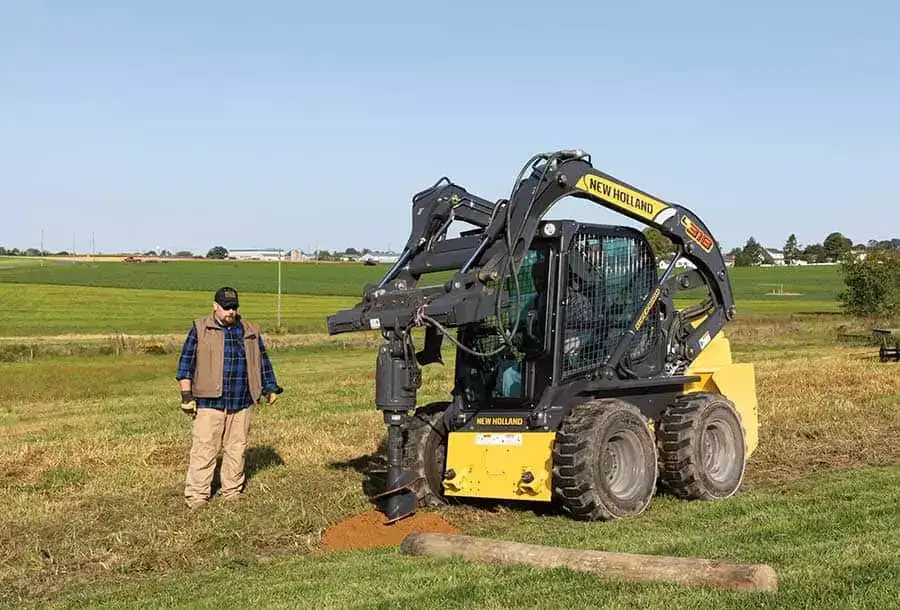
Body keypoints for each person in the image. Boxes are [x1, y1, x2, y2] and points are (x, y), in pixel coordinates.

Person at [175, 286, 283, 509]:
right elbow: (186, 363)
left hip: (241, 400)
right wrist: (186, 395)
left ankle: (231, 491)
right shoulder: (200, 328)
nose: (230, 312)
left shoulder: (249, 330)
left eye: (234, 307)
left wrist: (269, 387)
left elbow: (262, 362)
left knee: (237, 448)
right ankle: (197, 497)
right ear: (215, 306)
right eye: (226, 307)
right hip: (209, 401)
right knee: (204, 449)